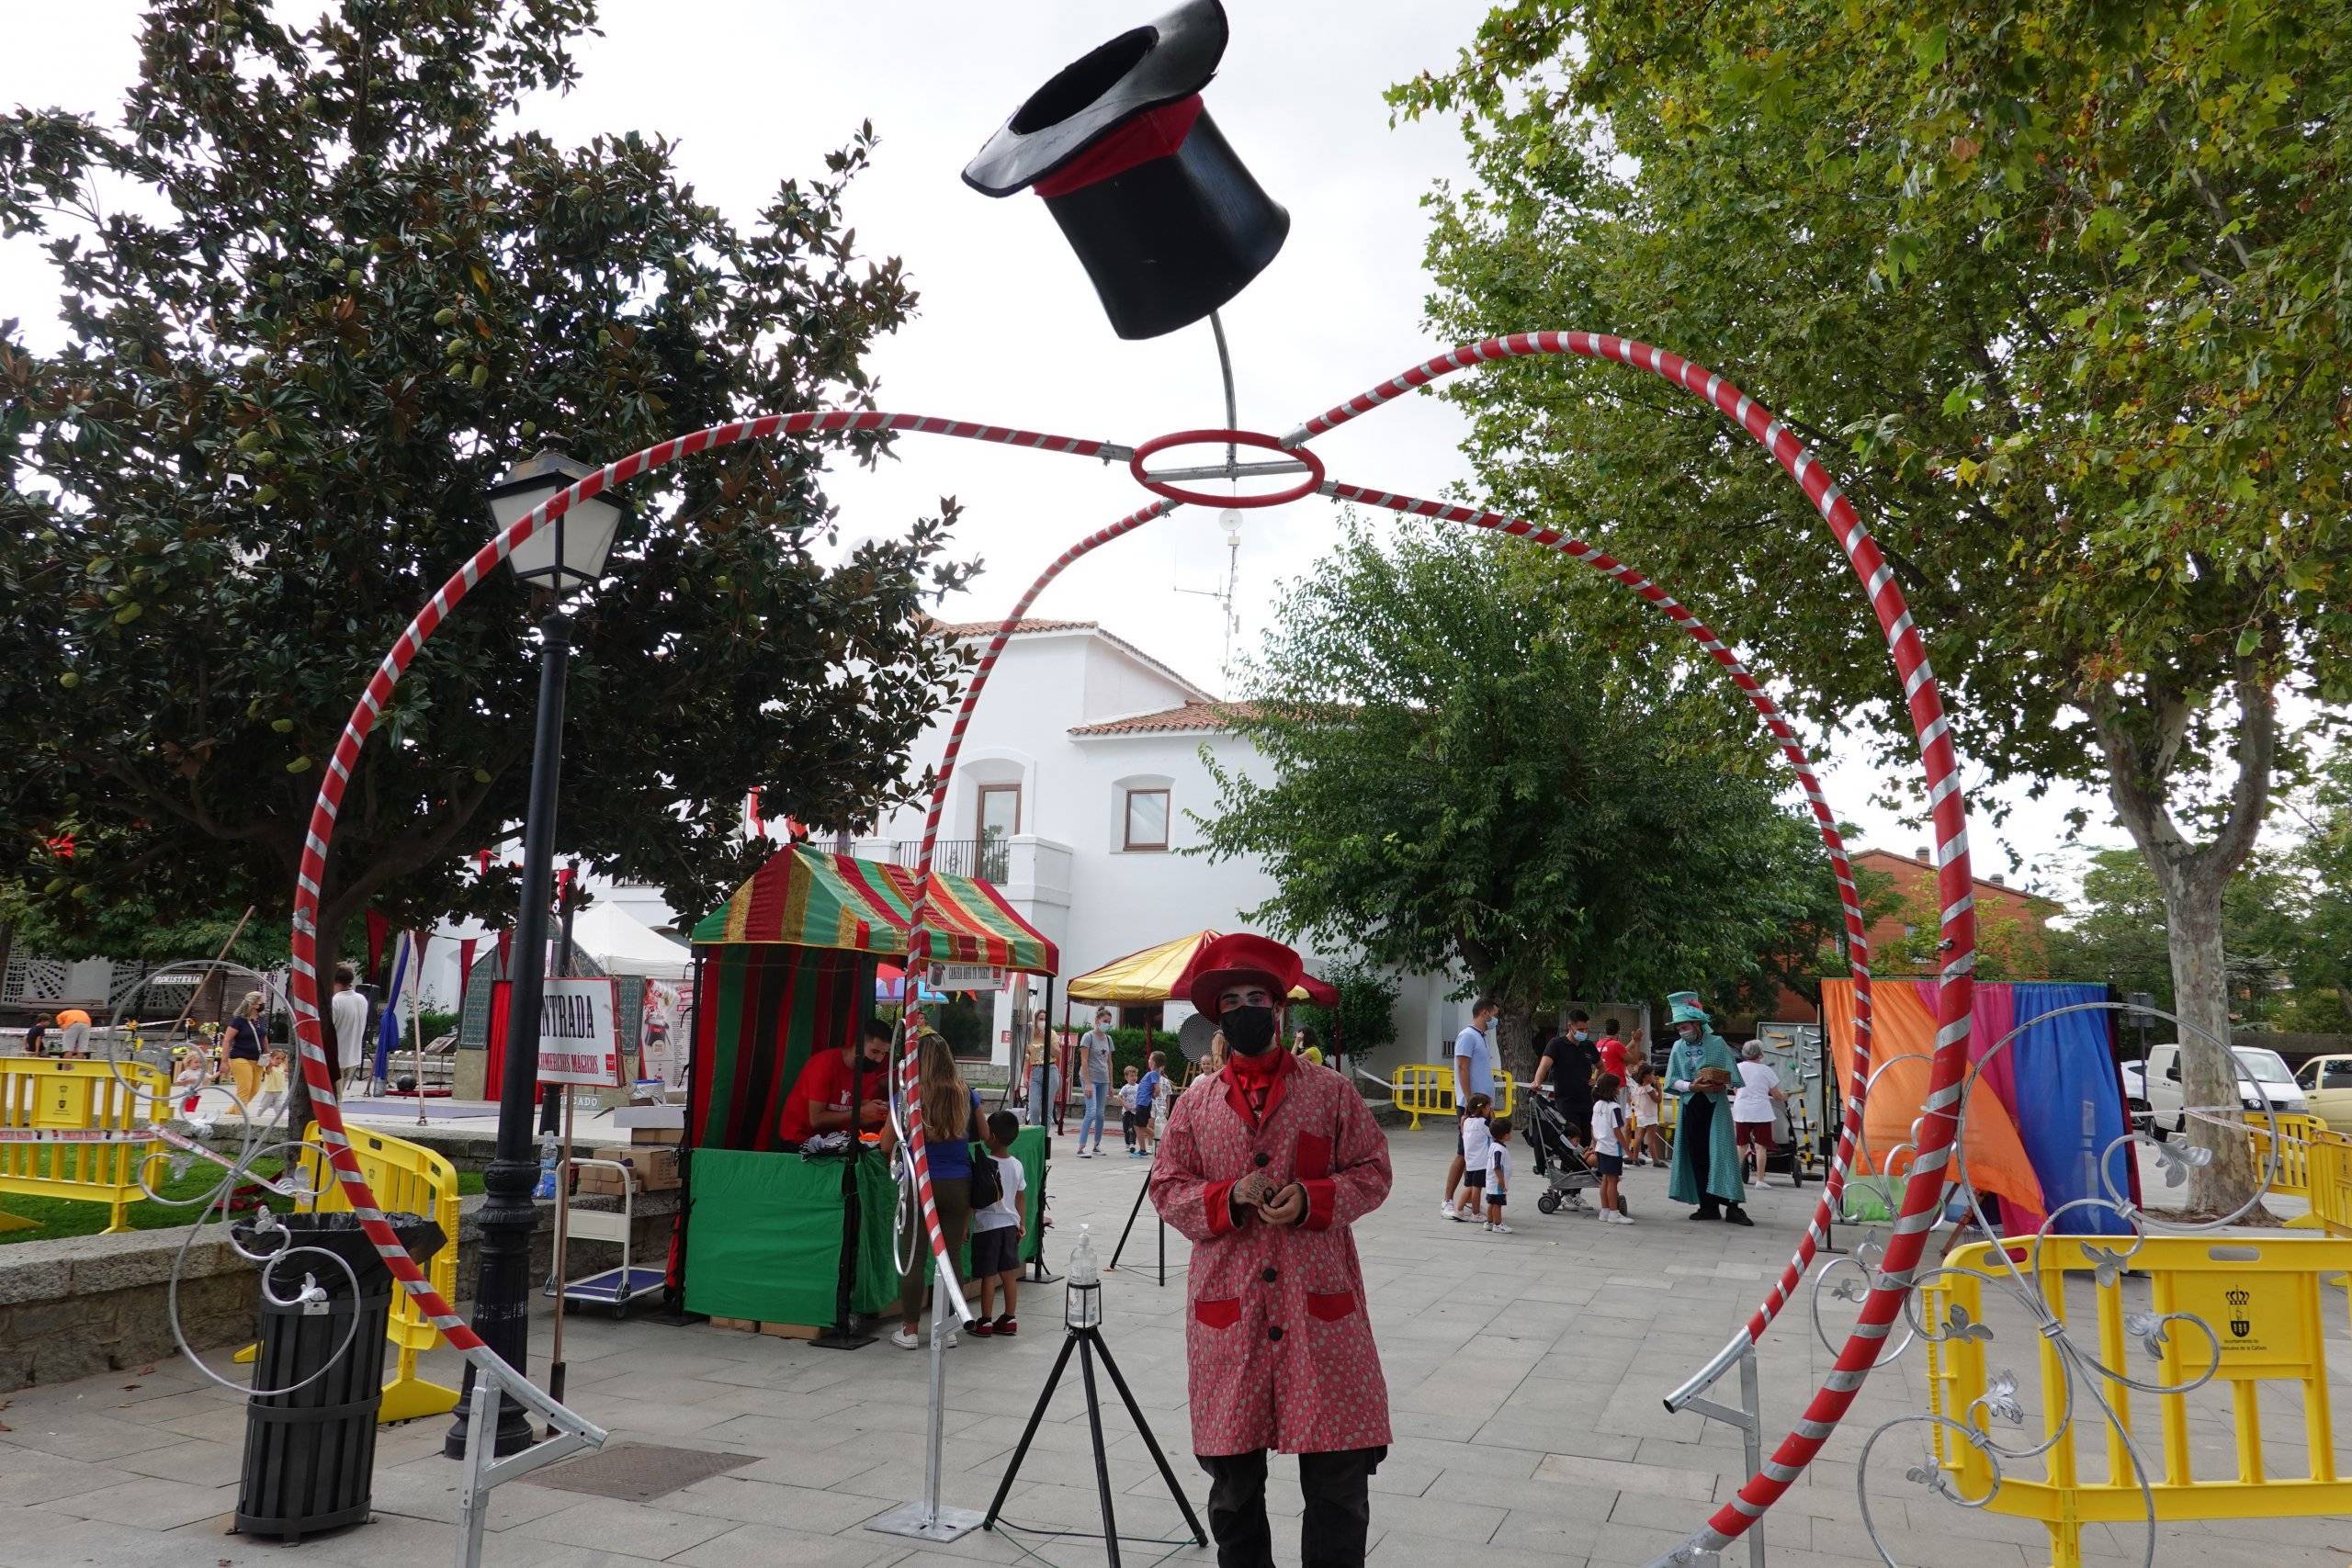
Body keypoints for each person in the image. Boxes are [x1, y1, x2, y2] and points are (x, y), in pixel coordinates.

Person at [1149, 931, 1394, 1568]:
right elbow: (1167, 1184)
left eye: (1256, 996)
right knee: (1233, 1491)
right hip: (1230, 1316)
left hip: (1320, 1311)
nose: (1245, 1008)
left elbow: (1374, 1168)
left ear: (1279, 1009)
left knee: (1339, 1485)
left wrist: (1315, 1197)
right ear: (1217, 1015)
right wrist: (1228, 1197)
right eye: (1231, 999)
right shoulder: (1195, 1103)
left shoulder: (1331, 1092)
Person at [895, 1029, 983, 1349]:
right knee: (952, 1258)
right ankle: (947, 1328)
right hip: (958, 1181)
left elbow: (886, 1143)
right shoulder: (966, 1093)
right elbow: (982, 1133)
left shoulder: (909, 1096)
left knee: (913, 1257)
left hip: (920, 1182)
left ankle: (909, 1329)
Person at [1664, 992, 1749, 1225]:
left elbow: (1733, 1077)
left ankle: (1732, 1206)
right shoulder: (1677, 1048)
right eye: (1678, 1027)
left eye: (1684, 1025)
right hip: (1691, 1106)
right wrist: (1692, 1085)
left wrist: (1719, 1083)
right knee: (1697, 1155)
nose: (1681, 1030)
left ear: (1697, 1023)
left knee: (1722, 1153)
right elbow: (1671, 1081)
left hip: (1715, 1106)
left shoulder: (1717, 1043)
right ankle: (1707, 1205)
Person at [778, 1021, 892, 1147]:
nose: (879, 1059)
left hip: (836, 1142)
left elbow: (860, 1117)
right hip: (800, 1139)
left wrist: (880, 1114)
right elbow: (816, 1120)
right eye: (875, 1051)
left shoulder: (868, 1073)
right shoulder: (825, 1065)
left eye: (884, 1053)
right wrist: (861, 1111)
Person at [968, 1109, 1027, 1337]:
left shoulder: (984, 1165)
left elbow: (973, 1200)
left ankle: (985, 1321)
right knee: (1009, 1274)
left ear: (991, 1136)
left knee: (988, 1276)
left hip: (988, 1227)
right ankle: (1010, 1318)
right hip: (1010, 1226)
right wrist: (1021, 1222)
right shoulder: (1017, 1164)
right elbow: (1021, 1196)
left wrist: (966, 1223)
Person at [1441, 998, 1498, 1220]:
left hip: (1484, 1106)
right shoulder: (1467, 1036)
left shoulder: (1481, 1037)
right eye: (1494, 1014)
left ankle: (1467, 1202)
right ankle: (1447, 1200)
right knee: (1463, 1153)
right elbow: (1463, 1067)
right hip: (1471, 1107)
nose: (1495, 1019)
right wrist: (1468, 1102)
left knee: (1475, 1154)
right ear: (1485, 1013)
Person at [1527, 1017, 1598, 1171]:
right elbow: (1544, 1065)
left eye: (1586, 1029)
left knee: (1584, 1145)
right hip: (1566, 1102)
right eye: (1580, 1029)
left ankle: (1576, 1189)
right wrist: (1537, 1081)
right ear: (1570, 1026)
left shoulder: (1588, 1046)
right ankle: (1567, 1189)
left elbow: (1601, 1066)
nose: (1584, 1033)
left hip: (1586, 1102)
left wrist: (1596, 1079)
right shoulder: (1557, 1044)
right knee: (1571, 1144)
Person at [1733, 1041, 1787, 1186]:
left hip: (1741, 1110)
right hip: (1761, 1112)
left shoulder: (1737, 1068)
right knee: (1761, 1146)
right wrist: (1784, 1096)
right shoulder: (1766, 1070)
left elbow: (1736, 1090)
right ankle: (1760, 1180)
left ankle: (1735, 1178)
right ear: (1760, 1054)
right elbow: (1776, 1095)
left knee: (1741, 1145)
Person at [1590, 1073, 1634, 1224]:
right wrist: (1628, 1150)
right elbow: (1617, 1131)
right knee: (1613, 1181)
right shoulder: (1614, 1107)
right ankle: (1614, 1213)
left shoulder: (1597, 1105)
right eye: (1617, 1087)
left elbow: (1593, 1127)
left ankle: (1605, 1211)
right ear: (1613, 1089)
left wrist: (1594, 1144)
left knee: (1605, 1181)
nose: (1619, 1089)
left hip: (1601, 1146)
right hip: (1612, 1148)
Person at [1449, 1093, 1494, 1223]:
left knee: (1468, 1186)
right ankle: (1475, 1213)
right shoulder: (1483, 1123)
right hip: (1482, 1162)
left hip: (1470, 1162)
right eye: (1489, 1107)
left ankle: (1459, 1210)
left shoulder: (1466, 1122)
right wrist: (1492, 1118)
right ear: (1484, 1108)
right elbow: (1494, 1133)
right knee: (1477, 1188)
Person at [1078, 1009, 1115, 1157]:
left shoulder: (1108, 1039)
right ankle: (1081, 1147)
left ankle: (1097, 1145)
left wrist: (1111, 1084)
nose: (1107, 1024)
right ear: (1097, 1020)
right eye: (1105, 1021)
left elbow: (1110, 1062)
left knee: (1100, 1114)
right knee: (1091, 1111)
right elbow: (1084, 1060)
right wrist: (1087, 1083)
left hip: (1103, 1079)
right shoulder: (1088, 1037)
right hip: (1090, 1078)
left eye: (1109, 1022)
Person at [329, 964, 370, 1094]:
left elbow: (328, 1030)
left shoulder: (335, 1001)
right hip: (353, 1055)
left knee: (333, 1099)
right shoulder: (362, 999)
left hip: (336, 1057)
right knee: (337, 1096)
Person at [223, 991, 267, 1104]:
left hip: (258, 1059)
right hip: (240, 1057)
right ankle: (239, 1116)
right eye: (261, 1003)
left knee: (255, 1089)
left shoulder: (261, 1019)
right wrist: (224, 1061)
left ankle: (233, 1112)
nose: (263, 1005)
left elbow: (264, 1037)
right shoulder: (239, 1021)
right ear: (253, 1004)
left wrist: (268, 1054)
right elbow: (227, 1040)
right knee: (245, 1088)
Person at [1629, 1062, 1668, 1168]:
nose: (1653, 1076)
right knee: (1651, 1139)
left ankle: (1635, 1158)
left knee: (1639, 1137)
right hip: (1650, 1115)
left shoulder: (1639, 1088)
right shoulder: (1648, 1088)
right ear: (1646, 1075)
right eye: (1652, 1074)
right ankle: (1656, 1160)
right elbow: (1658, 1100)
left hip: (1640, 1115)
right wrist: (1659, 1089)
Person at [1484, 1115, 1513, 1234]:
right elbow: (1496, 1166)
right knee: (1497, 1204)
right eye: (1510, 1133)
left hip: (1491, 1182)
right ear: (1505, 1135)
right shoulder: (1499, 1150)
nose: (1511, 1135)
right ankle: (1498, 1224)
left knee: (1492, 1203)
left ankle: (1489, 1222)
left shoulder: (1493, 1145)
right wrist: (1501, 1180)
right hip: (1497, 1183)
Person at [1137, 1051, 1167, 1156]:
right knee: (1139, 1125)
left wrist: (1154, 1094)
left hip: (1144, 1103)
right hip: (1142, 1102)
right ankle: (1143, 1149)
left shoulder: (1154, 1073)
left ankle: (1161, 1138)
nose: (1148, 1060)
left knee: (1140, 1125)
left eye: (1150, 1058)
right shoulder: (1152, 1073)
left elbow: (1158, 1088)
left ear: (1153, 1063)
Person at [251, 1049, 291, 1123]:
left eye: (281, 1059)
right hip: (270, 1091)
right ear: (272, 1058)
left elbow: (288, 1069)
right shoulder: (269, 1066)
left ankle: (280, 1120)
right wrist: (270, 1062)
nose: (279, 1060)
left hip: (279, 1090)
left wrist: (285, 1061)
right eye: (277, 1058)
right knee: (264, 1106)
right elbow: (268, 1071)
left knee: (279, 1106)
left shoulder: (282, 1066)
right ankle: (257, 1117)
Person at [1118, 1065, 1144, 1155]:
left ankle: (1132, 1143)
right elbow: (1119, 1097)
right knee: (1126, 1128)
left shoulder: (1139, 1086)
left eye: (1135, 1075)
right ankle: (1127, 1144)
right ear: (1126, 1077)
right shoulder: (1125, 1087)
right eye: (1131, 1076)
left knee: (1134, 1128)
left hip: (1135, 1111)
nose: (1134, 1078)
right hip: (1126, 1112)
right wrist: (1125, 1105)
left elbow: (1141, 1096)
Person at [1597, 1017, 1629, 1085]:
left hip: (1603, 1082)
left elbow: (1623, 1052)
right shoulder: (1616, 1044)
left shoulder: (1599, 1043)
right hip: (1616, 1084)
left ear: (1605, 1030)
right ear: (1618, 1030)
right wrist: (1637, 1042)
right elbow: (1633, 1060)